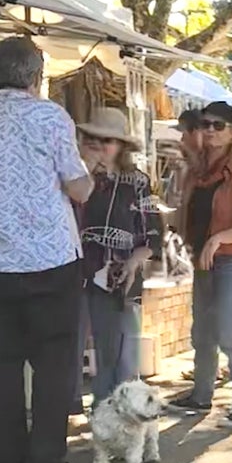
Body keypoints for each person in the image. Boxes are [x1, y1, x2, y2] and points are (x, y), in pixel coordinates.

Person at [0, 35, 94, 463]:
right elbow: (78, 187)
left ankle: (7, 458)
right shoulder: (49, 116)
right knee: (55, 359)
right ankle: (47, 461)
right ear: (37, 75)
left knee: (3, 359)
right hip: (48, 255)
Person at [168, 100, 232, 422]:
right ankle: (201, 396)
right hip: (204, 261)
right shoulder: (198, 173)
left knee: (230, 333)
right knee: (202, 333)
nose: (210, 130)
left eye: (218, 126)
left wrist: (218, 238)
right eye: (206, 124)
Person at [75, 107, 153, 404]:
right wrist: (85, 169)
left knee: (118, 354)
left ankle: (120, 418)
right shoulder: (74, 177)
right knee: (69, 349)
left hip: (118, 274)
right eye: (92, 139)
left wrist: (133, 262)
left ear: (121, 146)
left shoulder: (137, 182)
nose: (99, 146)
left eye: (106, 141)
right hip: (74, 272)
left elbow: (151, 234)